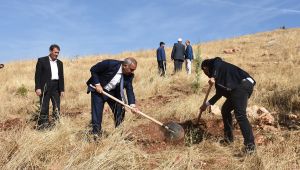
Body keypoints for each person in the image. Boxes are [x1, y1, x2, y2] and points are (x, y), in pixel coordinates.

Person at [199, 57, 256, 154]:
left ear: (205, 68)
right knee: (225, 109)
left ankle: (250, 146)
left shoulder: (215, 63)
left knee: (240, 115)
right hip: (236, 89)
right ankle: (228, 139)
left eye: (204, 72)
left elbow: (218, 61)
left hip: (243, 84)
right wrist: (206, 105)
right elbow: (218, 94)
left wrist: (213, 76)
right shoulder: (219, 80)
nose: (206, 75)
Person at [86, 58, 139, 139]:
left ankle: (119, 134)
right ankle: (96, 135)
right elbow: (93, 69)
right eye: (131, 69)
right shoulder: (110, 64)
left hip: (113, 93)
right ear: (125, 66)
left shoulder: (129, 75)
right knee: (97, 113)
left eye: (134, 70)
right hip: (99, 90)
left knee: (120, 110)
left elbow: (129, 89)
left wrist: (132, 105)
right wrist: (97, 84)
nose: (132, 72)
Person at [35, 44, 64, 129]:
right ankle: (43, 126)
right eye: (55, 52)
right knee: (44, 107)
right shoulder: (42, 61)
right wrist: (37, 87)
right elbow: (37, 76)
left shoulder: (60, 63)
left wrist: (62, 89)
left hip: (56, 87)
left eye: (58, 53)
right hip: (45, 87)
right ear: (51, 51)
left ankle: (56, 126)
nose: (57, 54)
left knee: (57, 107)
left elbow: (61, 77)